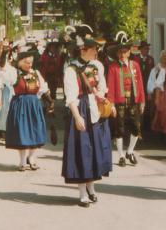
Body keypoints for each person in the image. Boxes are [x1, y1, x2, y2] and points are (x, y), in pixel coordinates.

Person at [62, 26, 112, 207]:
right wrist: (77, 117)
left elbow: (100, 89)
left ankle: (91, 187)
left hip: (93, 110)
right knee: (82, 151)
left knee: (94, 151)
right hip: (80, 109)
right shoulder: (71, 70)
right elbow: (71, 98)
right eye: (93, 49)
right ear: (83, 50)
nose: (96, 51)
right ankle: (82, 192)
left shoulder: (96, 66)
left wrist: (105, 101)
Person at [6, 49, 54, 171]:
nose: (30, 65)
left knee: (35, 131)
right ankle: (22, 161)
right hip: (20, 105)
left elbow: (43, 89)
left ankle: (31, 158)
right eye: (27, 62)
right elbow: (3, 72)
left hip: (34, 105)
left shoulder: (36, 73)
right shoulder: (14, 73)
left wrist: (50, 101)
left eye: (31, 62)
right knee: (22, 132)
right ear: (20, 62)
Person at [107, 32, 145, 167]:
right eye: (121, 52)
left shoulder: (135, 65)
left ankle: (130, 151)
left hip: (133, 100)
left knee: (136, 127)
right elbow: (110, 86)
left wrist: (142, 101)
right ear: (117, 53)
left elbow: (140, 83)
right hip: (119, 102)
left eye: (125, 51)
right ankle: (121, 156)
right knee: (120, 129)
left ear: (129, 52)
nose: (123, 54)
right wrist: (111, 103)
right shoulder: (113, 67)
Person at [0, 47, 17, 140]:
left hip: (13, 91)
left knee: (12, 111)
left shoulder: (13, 69)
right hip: (6, 91)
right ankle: (3, 131)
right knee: (5, 111)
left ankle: (10, 131)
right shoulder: (3, 70)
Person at [148, 50, 166, 135]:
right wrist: (150, 92)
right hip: (158, 93)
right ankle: (158, 132)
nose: (165, 58)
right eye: (163, 56)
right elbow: (151, 81)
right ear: (160, 57)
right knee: (157, 112)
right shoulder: (156, 69)